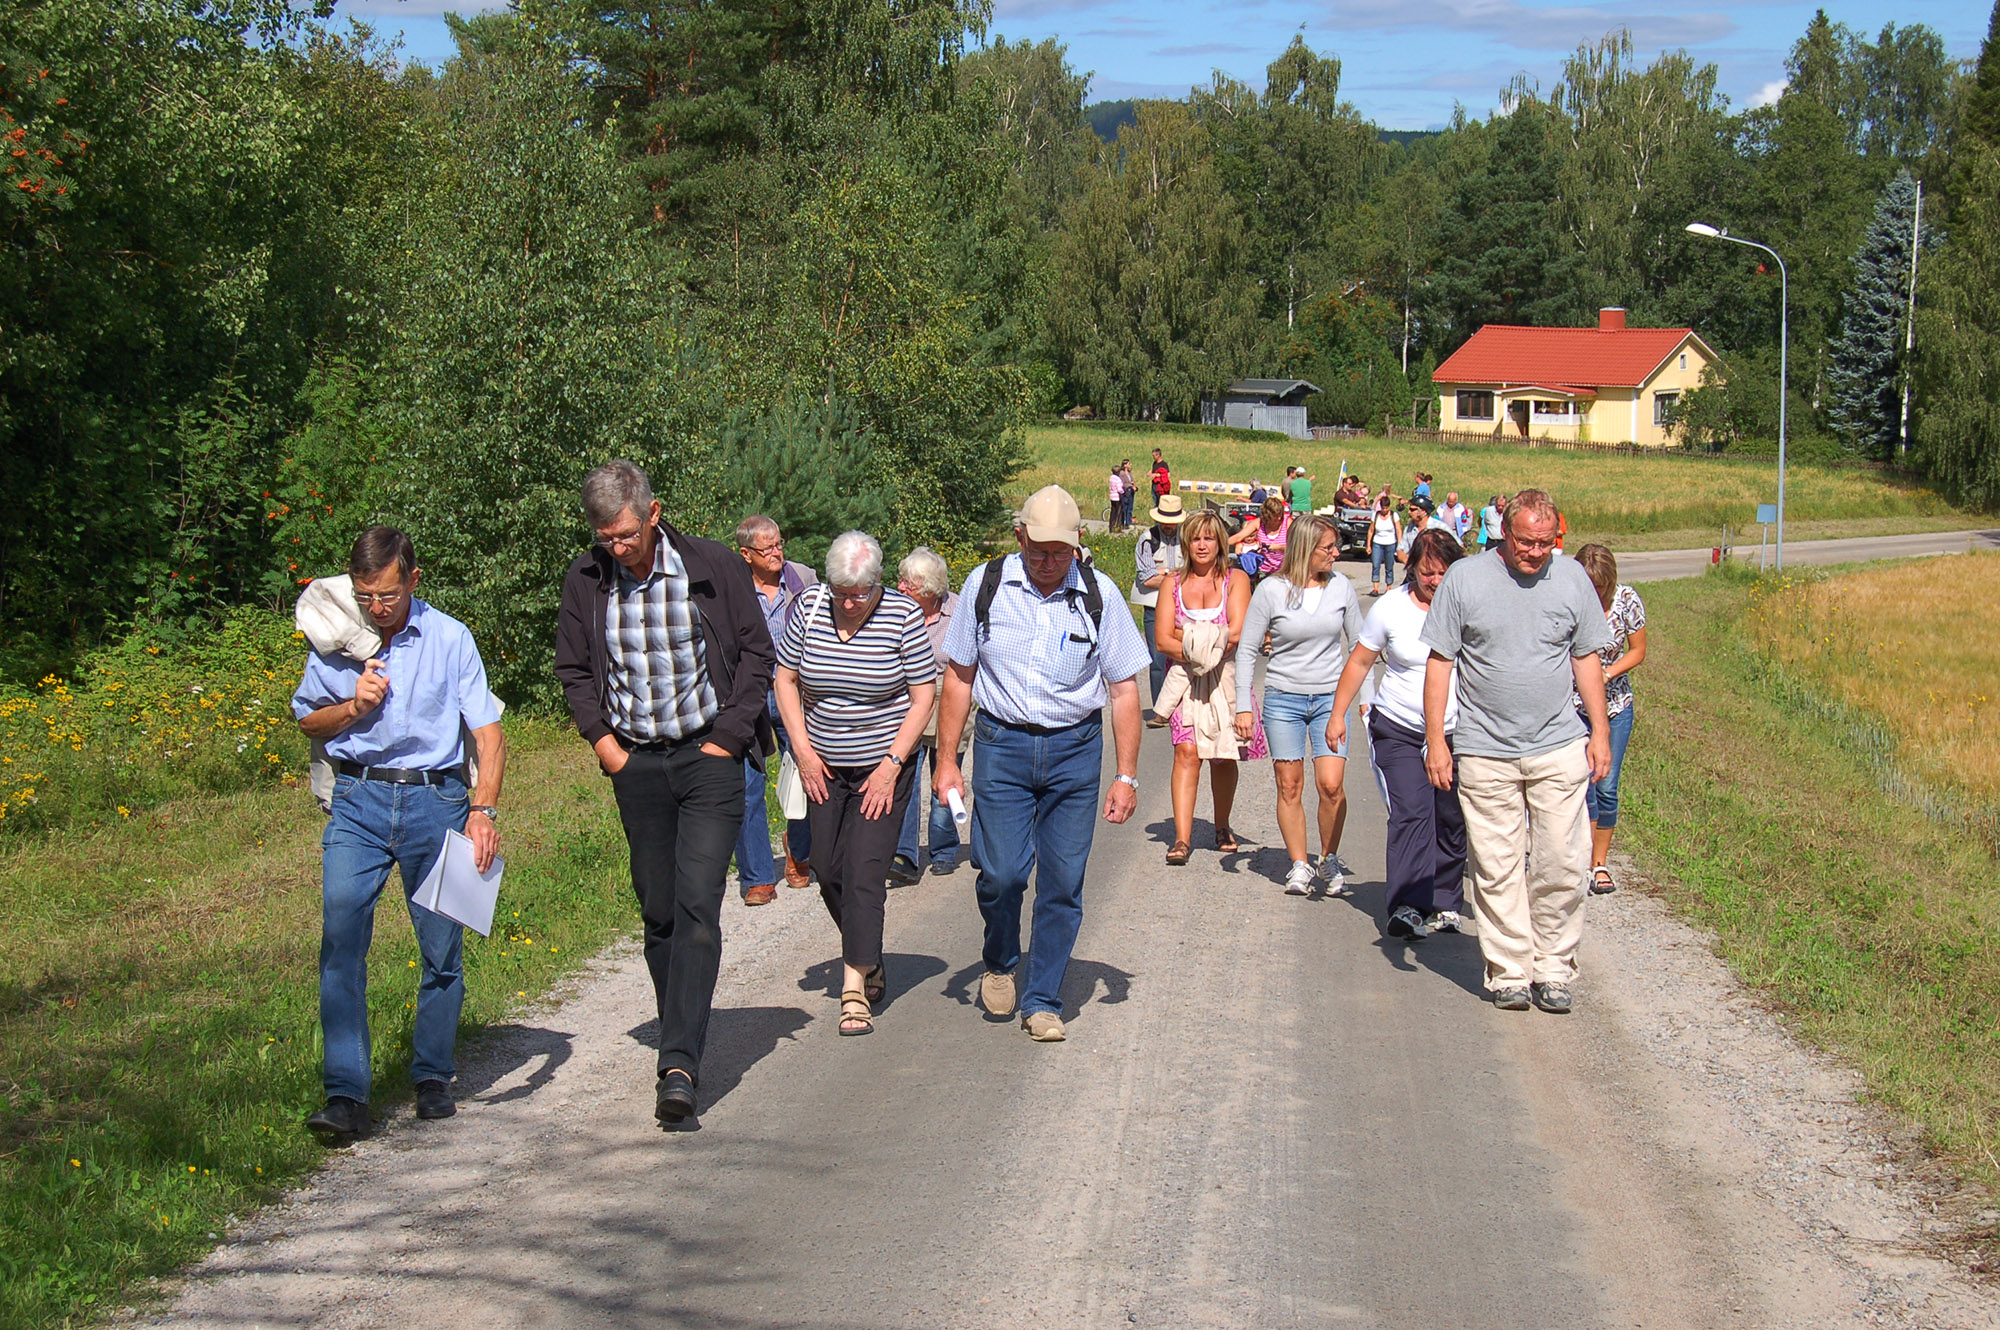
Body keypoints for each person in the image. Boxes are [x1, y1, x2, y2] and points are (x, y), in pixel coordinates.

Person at [556, 460, 775, 1125]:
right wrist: (607, 748)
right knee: (659, 911)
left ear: (653, 514)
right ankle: (681, 1022)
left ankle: (678, 1063)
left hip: (708, 756)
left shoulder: (712, 565)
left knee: (697, 903)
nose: (617, 547)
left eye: (626, 534)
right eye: (605, 537)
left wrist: (729, 737)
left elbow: (756, 653)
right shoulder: (586, 579)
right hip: (638, 765)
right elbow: (573, 670)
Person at [294, 526, 505, 1141]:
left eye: (387, 594)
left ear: (413, 579)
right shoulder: (338, 636)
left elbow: (488, 733)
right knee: (341, 944)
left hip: (435, 802)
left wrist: (483, 811)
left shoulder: (450, 637)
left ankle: (433, 1076)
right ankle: (346, 1095)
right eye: (365, 595)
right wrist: (354, 707)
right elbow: (309, 720)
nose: (376, 607)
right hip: (357, 801)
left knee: (441, 950)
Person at [934, 485, 1149, 1043]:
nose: (1050, 563)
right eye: (1039, 551)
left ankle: (1043, 999)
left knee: (1063, 881)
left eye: (1061, 552)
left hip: (1075, 752)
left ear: (1076, 545)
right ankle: (1001, 957)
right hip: (1001, 746)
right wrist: (946, 761)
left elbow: (1124, 689)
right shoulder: (985, 586)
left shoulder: (1099, 595)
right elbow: (958, 677)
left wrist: (1125, 775)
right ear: (1019, 538)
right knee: (1002, 874)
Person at [1419, 489, 1612, 1015]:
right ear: (1503, 532)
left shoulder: (1572, 578)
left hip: (1558, 744)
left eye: (1546, 543)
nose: (1536, 553)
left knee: (1562, 862)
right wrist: (1436, 741)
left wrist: (1599, 732)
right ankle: (1509, 972)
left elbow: (1587, 658)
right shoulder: (1465, 579)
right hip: (1485, 748)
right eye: (1527, 542)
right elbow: (1440, 662)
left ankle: (1553, 968)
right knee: (1497, 865)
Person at [773, 532, 937, 1037]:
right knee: (826, 868)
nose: (848, 603)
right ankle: (868, 954)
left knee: (865, 872)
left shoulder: (902, 616)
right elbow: (785, 680)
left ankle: (853, 990)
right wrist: (802, 750)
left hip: (883, 767)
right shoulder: (808, 609)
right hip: (822, 764)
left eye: (859, 594)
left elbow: (923, 695)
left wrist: (891, 765)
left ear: (878, 582)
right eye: (841, 592)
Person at [1332, 527, 1468, 940]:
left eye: (1444, 572)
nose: (1435, 581)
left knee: (1451, 817)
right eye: (1427, 572)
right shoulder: (1391, 607)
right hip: (1400, 728)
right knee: (1412, 811)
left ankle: (1445, 900)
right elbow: (1360, 662)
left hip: (1459, 731)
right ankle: (1409, 905)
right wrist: (1338, 714)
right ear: (1413, 570)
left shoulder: (1469, 605)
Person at [1234, 514, 1361, 895]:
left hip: (1330, 700)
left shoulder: (1341, 587)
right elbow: (1247, 651)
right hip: (1283, 698)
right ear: (1306, 548)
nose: (1336, 554)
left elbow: (1361, 648)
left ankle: (1329, 857)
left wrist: (1366, 700)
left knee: (1331, 785)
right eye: (1329, 548)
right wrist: (1243, 704)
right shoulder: (1271, 590)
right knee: (1289, 784)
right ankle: (1300, 864)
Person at [1157, 509, 1263, 865]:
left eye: (1209, 538)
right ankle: (1182, 838)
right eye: (1195, 538)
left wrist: (1187, 636)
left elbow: (1238, 633)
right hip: (1184, 682)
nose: (1202, 545)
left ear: (1220, 542)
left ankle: (1222, 825)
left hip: (1225, 680)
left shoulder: (1236, 579)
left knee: (1222, 754)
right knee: (1186, 752)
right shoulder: (1172, 583)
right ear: (1186, 543)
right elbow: (1162, 639)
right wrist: (1208, 643)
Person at [735, 515, 817, 903]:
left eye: (779, 544)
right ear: (746, 554)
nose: (776, 552)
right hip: (747, 695)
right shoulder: (732, 586)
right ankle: (757, 877)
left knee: (806, 773)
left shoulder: (803, 579)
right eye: (766, 548)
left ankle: (799, 853)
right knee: (747, 783)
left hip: (795, 693)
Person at [1571, 544, 1647, 895]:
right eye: (1589, 585)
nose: (1595, 593)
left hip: (1615, 705)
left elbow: (1638, 650)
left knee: (1607, 784)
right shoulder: (1569, 600)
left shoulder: (1626, 600)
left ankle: (1599, 863)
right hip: (1573, 706)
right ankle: (1581, 861)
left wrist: (1607, 673)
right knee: (1582, 784)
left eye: (1600, 586)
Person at [893, 546, 965, 879]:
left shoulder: (958, 610)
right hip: (907, 701)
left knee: (945, 775)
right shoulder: (895, 610)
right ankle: (903, 855)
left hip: (949, 699)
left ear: (930, 588)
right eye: (901, 580)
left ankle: (944, 849)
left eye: (909, 583)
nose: (900, 587)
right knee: (904, 776)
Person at [1133, 494, 1186, 727]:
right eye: (1165, 520)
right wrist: (1176, 576)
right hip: (1154, 606)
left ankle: (1180, 708)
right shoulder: (1147, 540)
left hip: (1183, 606)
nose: (1168, 525)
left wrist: (1163, 573)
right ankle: (1159, 711)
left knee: (1183, 656)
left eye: (1172, 521)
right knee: (1157, 658)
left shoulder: (1188, 537)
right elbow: (1147, 578)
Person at [1229, 494, 1290, 579]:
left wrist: (1279, 547)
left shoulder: (1288, 523)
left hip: (1284, 570)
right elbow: (1239, 536)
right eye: (1275, 517)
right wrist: (1220, 544)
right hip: (1264, 570)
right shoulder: (1258, 523)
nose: (1279, 518)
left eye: (1280, 515)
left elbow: (1297, 548)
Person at [1368, 494, 1402, 596]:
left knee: (1389, 566)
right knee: (1376, 564)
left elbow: (1398, 530)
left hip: (1390, 543)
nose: (1384, 510)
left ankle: (1388, 587)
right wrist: (1368, 545)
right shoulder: (1376, 515)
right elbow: (1371, 530)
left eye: (1386, 508)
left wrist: (1399, 545)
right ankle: (1375, 588)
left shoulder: (1394, 516)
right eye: (1383, 508)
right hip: (1377, 543)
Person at [1118, 460, 1138, 529]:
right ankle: (1123, 522)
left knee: (1130, 507)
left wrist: (1134, 486)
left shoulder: (1129, 473)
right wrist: (1131, 486)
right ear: (1125, 465)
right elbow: (1123, 483)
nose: (1130, 465)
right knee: (1125, 507)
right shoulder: (1122, 473)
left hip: (1131, 491)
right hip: (1125, 491)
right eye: (1129, 463)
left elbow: (1131, 481)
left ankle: (1128, 521)